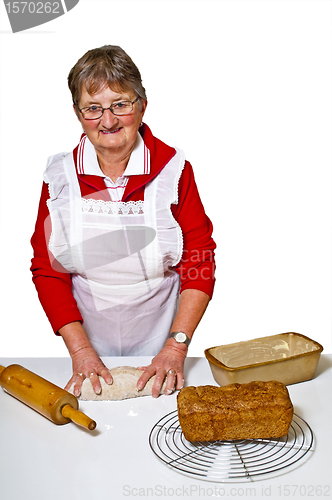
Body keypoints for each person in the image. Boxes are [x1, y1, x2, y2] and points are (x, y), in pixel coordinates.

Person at [30, 45, 216, 399]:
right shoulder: (60, 177)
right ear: (77, 113)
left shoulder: (173, 171)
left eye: (120, 104)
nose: (109, 120)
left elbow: (199, 261)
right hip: (86, 341)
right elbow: (48, 269)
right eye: (93, 108)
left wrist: (176, 347)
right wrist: (81, 351)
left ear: (142, 105)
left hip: (163, 337)